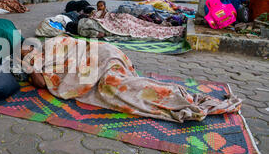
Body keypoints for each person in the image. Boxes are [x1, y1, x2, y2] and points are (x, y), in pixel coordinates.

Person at [22, 36, 242, 123]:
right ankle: (176, 97)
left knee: (113, 87)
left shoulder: (45, 48)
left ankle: (176, 97)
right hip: (107, 57)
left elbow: (42, 83)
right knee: (115, 87)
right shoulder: (45, 48)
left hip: (100, 59)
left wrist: (30, 64)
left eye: (25, 52)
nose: (26, 55)